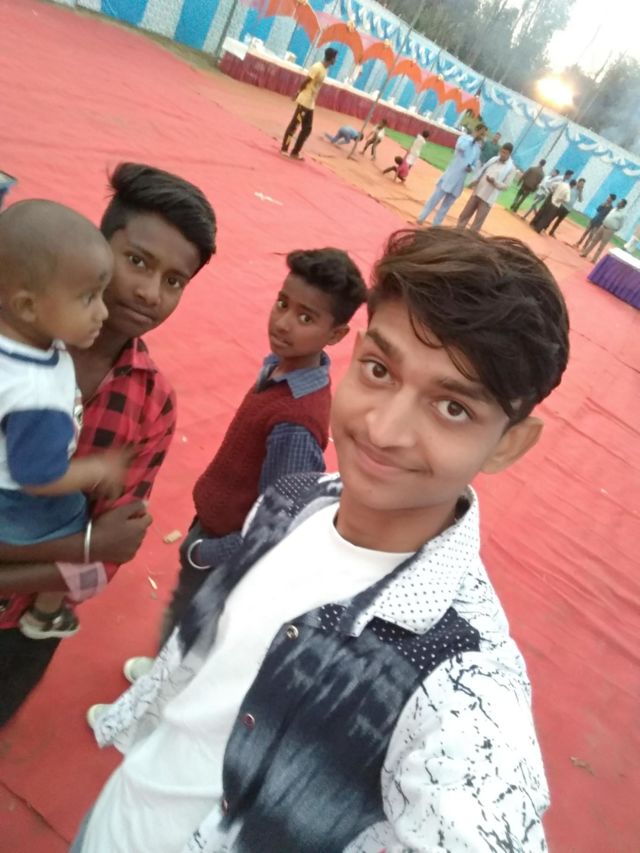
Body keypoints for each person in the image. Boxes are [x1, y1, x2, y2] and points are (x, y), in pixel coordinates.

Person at [76, 227, 569, 853]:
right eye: (380, 370)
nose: (384, 430)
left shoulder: (462, 680)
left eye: (452, 408)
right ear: (355, 354)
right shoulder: (296, 499)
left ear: (508, 444)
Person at [0, 163, 216, 726]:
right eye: (137, 261)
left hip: (21, 636)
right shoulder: (10, 353)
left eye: (174, 281)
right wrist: (79, 547)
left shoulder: (152, 403)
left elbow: (107, 561)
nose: (150, 292)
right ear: (97, 246)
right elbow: (96, 545)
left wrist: (86, 552)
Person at [103, 247, 367, 689]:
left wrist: (208, 553)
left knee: (196, 626)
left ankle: (160, 696)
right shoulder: (280, 371)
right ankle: (164, 673)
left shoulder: (295, 421)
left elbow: (279, 524)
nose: (283, 322)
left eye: (306, 318)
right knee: (186, 612)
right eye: (282, 303)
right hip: (214, 527)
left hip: (223, 549)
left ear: (336, 334)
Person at [0, 201, 132, 642]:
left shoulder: (24, 341)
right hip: (16, 502)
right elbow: (38, 477)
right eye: (88, 298)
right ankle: (46, 613)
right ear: (27, 306)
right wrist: (97, 470)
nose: (103, 313)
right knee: (80, 526)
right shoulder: (36, 393)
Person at [416, 124, 487, 226]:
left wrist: (470, 168)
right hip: (451, 175)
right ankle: (422, 217)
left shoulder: (478, 149)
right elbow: (460, 148)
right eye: (481, 133)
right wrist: (472, 139)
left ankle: (436, 225)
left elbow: (475, 165)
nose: (482, 136)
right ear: (476, 130)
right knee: (434, 199)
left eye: (484, 135)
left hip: (460, 180)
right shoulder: (464, 138)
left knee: (446, 206)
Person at [281, 48, 338, 161]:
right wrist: (298, 92)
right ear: (331, 58)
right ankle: (284, 148)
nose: (336, 60)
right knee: (294, 125)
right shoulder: (317, 67)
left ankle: (295, 152)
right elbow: (306, 80)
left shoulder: (324, 69)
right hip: (304, 101)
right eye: (335, 58)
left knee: (307, 129)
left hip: (310, 103)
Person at [457, 142, 515, 231]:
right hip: (478, 192)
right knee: (464, 215)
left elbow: (506, 186)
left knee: (477, 224)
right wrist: (475, 181)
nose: (502, 154)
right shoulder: (493, 160)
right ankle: (457, 232)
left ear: (509, 154)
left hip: (488, 199)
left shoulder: (511, 168)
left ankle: (470, 238)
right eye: (502, 152)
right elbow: (482, 171)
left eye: (505, 153)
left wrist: (494, 182)